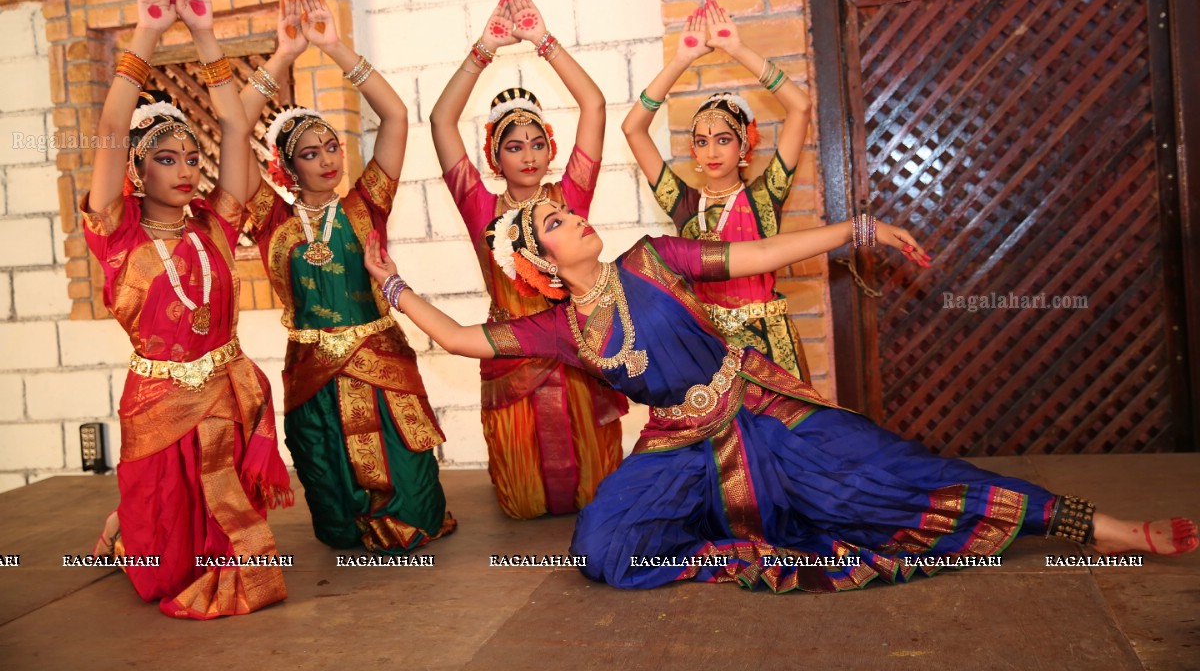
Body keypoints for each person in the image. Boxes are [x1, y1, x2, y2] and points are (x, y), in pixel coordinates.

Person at [362, 198, 1198, 592]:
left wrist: (856, 230)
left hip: (764, 413)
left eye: (564, 209)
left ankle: (1102, 527)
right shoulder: (558, 331)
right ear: (542, 266)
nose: (571, 218)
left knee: (893, 477)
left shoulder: (653, 259)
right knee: (600, 546)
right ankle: (741, 544)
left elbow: (758, 255)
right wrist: (393, 285)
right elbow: (463, 339)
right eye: (550, 224)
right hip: (680, 449)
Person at [83, 0, 292, 618]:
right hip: (156, 406)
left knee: (232, 561)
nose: (183, 169)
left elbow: (235, 125)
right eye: (164, 159)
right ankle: (128, 526)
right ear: (137, 172)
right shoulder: (117, 236)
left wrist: (205, 34)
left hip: (225, 397)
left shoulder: (214, 226)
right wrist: (145, 34)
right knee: (161, 576)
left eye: (190, 158)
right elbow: (112, 129)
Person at [238, 0, 454, 553]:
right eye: (311, 153)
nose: (329, 159)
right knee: (333, 504)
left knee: (413, 492)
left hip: (382, 361)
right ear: (286, 168)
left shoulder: (366, 204)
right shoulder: (267, 219)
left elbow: (395, 115)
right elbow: (235, 132)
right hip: (312, 370)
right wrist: (281, 58)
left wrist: (334, 47)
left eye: (332, 146)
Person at [428, 0, 626, 519]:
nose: (529, 155)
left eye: (538, 143)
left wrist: (544, 41)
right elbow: (440, 122)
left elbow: (594, 104)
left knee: (595, 497)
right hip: (511, 357)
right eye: (514, 146)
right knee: (525, 505)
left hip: (576, 353)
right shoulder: (480, 209)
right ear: (494, 156)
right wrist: (483, 51)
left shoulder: (569, 198)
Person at [622, 0, 834, 381]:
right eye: (702, 142)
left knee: (783, 439)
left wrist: (737, 49)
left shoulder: (764, 197)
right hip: (709, 348)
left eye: (723, 139)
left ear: (744, 146)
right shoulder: (682, 202)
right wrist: (680, 61)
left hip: (769, 347)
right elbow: (633, 128)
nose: (712, 150)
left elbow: (800, 108)